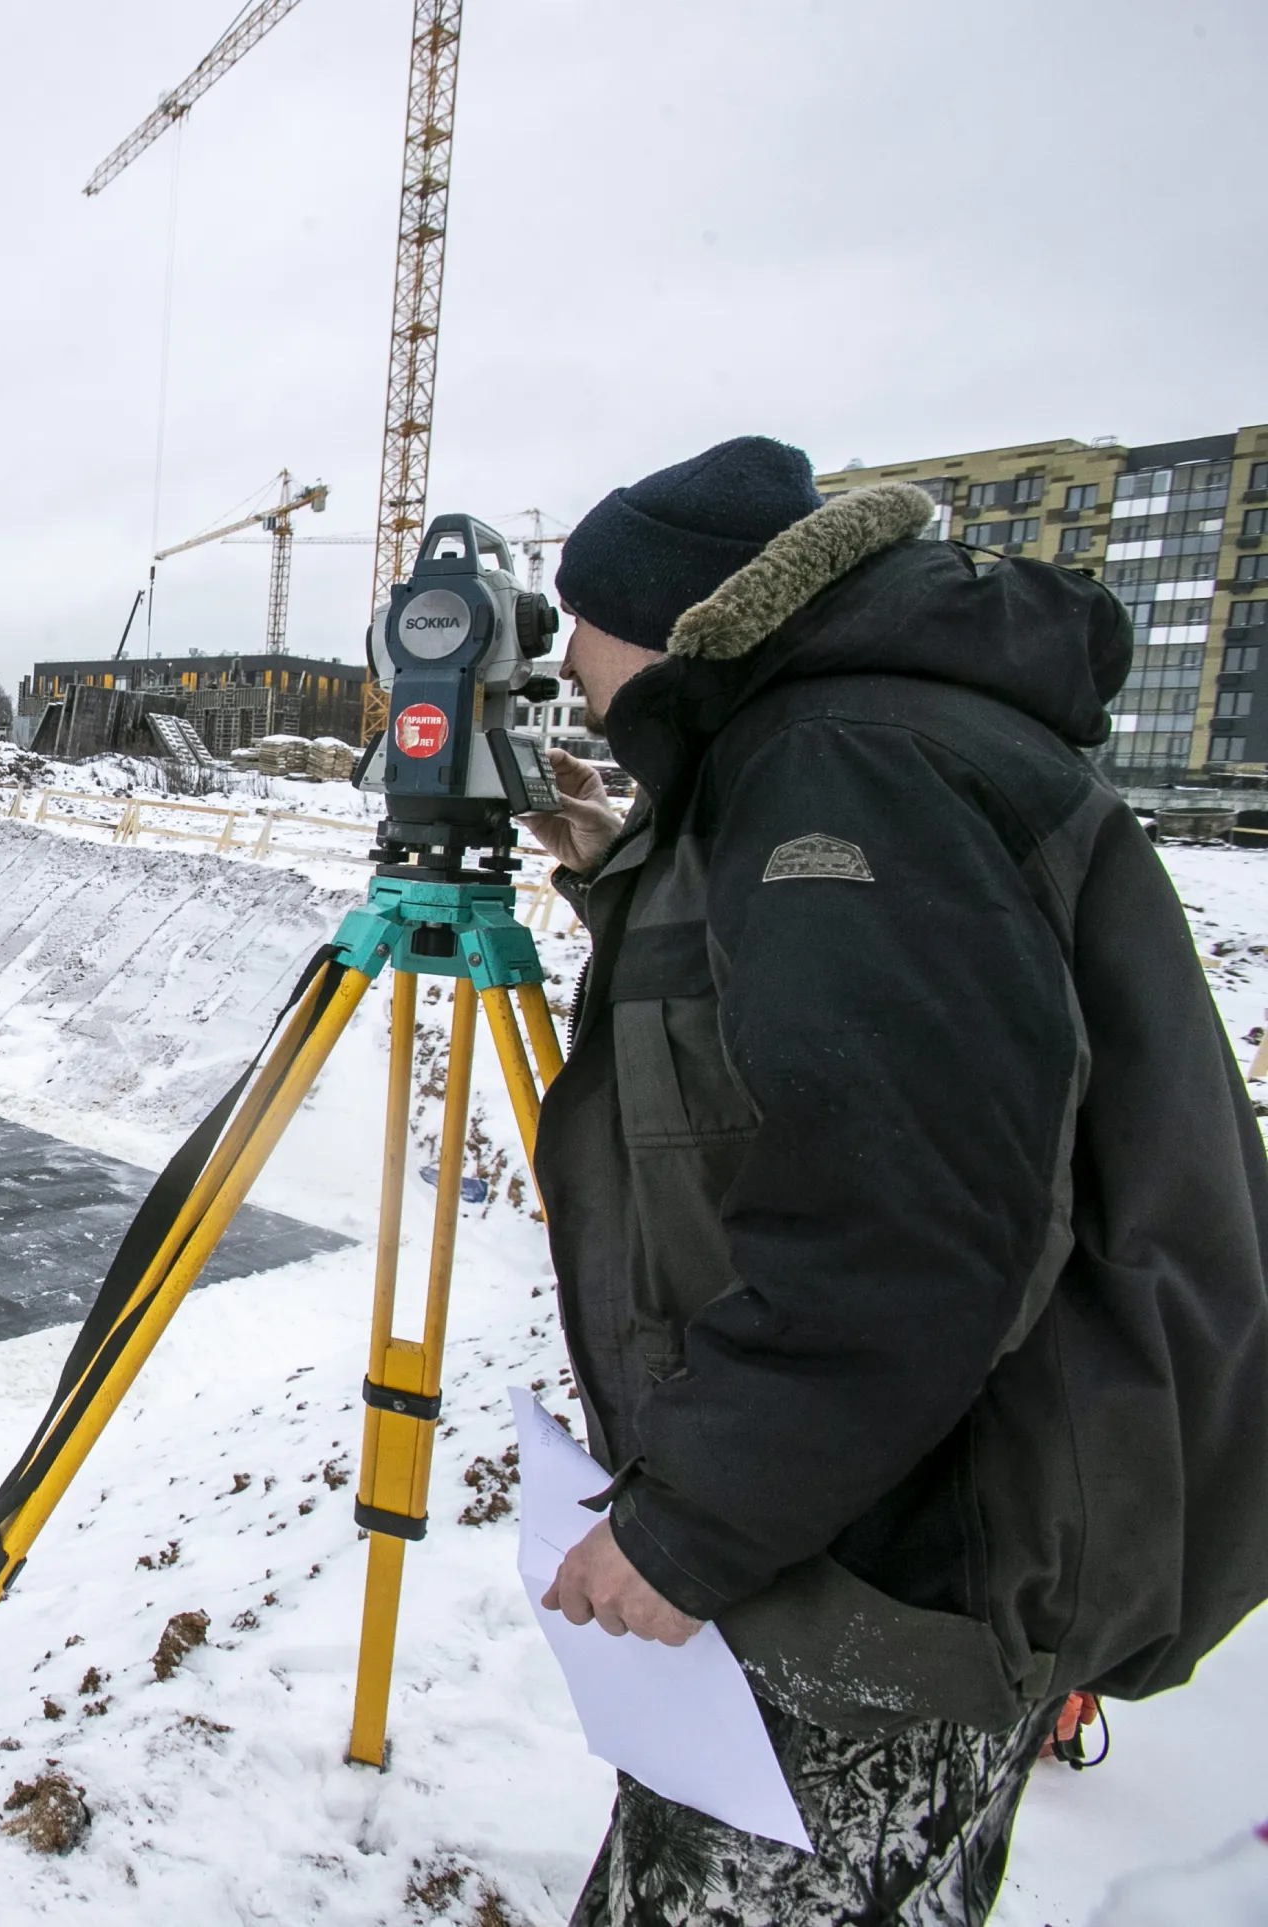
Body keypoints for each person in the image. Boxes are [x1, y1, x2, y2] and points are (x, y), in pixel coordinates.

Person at [515, 435, 1268, 1924]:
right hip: (883, 1496)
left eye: (572, 625)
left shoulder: (844, 764)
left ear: (659, 617)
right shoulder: (858, 739)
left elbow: (911, 1210)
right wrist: (637, 870)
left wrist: (697, 1521)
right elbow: (816, 1038)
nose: (562, 663)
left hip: (890, 1550)